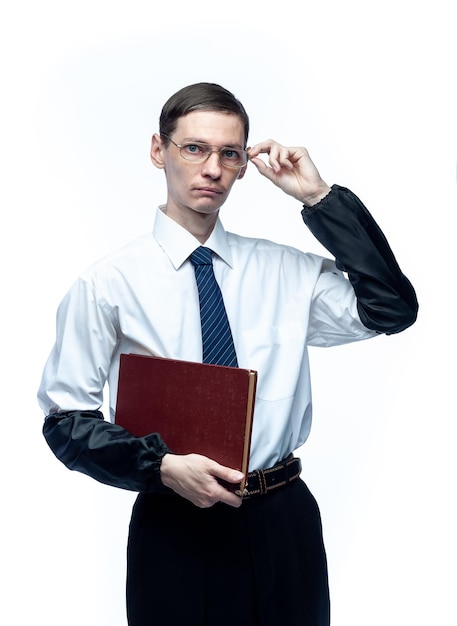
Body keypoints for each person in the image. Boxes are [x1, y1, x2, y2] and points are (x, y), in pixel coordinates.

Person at [38, 82, 418, 626]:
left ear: (244, 165)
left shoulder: (285, 271)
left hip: (283, 519)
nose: (212, 168)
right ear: (158, 150)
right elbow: (66, 423)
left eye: (229, 154)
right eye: (194, 148)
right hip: (175, 525)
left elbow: (392, 309)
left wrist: (319, 198)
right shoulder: (108, 284)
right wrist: (163, 467)